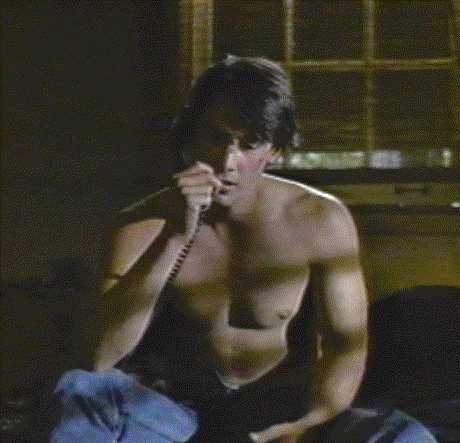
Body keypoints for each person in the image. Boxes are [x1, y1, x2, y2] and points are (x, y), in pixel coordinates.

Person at [48, 56, 437, 442]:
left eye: (249, 145)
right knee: (82, 390)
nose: (227, 162)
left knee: (407, 435)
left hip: (278, 408)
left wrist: (299, 427)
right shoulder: (142, 224)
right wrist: (176, 236)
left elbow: (343, 348)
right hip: (178, 412)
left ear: (275, 151)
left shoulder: (318, 219)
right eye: (215, 138)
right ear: (190, 137)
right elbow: (99, 356)